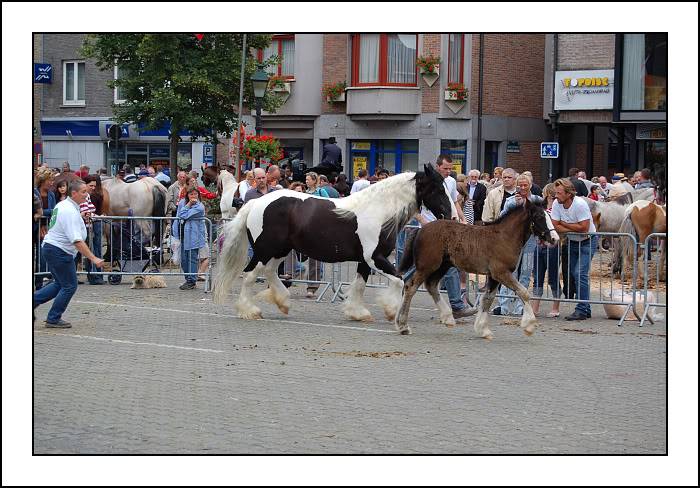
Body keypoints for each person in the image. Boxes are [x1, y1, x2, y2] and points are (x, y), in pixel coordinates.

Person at [33, 180, 105, 327]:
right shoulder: (69, 211)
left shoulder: (66, 206)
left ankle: (34, 302)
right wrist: (93, 258)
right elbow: (76, 240)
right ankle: (53, 318)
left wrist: (81, 214)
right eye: (83, 192)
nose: (87, 195)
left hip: (54, 249)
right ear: (74, 193)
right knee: (69, 286)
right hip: (59, 251)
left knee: (60, 283)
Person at [413, 156, 475, 319]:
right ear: (437, 167)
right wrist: (424, 222)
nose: (449, 172)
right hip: (430, 232)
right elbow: (414, 207)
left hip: (447, 230)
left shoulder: (452, 182)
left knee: (446, 265)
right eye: (445, 168)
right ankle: (456, 306)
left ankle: (456, 306)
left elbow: (454, 202)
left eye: (450, 169)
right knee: (425, 266)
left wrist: (463, 219)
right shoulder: (426, 182)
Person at [491, 174, 541, 316]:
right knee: (509, 274)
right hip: (512, 245)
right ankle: (504, 306)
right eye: (521, 185)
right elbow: (502, 217)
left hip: (529, 243)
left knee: (525, 274)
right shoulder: (510, 201)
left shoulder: (537, 200)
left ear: (530, 185)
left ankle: (521, 307)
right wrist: (515, 205)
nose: (523, 188)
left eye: (526, 185)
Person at [550, 178, 597, 321]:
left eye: (559, 193)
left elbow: (584, 228)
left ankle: (582, 309)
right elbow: (555, 225)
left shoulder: (580, 204)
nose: (556, 196)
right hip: (572, 241)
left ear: (568, 194)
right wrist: (571, 226)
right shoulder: (557, 204)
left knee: (579, 273)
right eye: (555, 192)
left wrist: (564, 223)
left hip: (587, 241)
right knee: (573, 274)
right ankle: (586, 307)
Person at [530, 183, 561, 318]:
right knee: (537, 276)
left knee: (553, 276)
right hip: (539, 245)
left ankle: (556, 306)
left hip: (552, 246)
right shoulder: (540, 208)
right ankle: (535, 306)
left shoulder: (557, 210)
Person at [173, 187, 206, 290]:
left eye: (195, 194)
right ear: (187, 195)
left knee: (191, 258)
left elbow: (183, 215)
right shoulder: (183, 202)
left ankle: (191, 280)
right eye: (191, 194)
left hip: (194, 235)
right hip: (183, 235)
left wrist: (188, 205)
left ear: (198, 195)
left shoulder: (200, 207)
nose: (193, 196)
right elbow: (179, 215)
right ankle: (188, 278)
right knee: (183, 259)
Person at [83, 175, 106, 285]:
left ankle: (95, 275)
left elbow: (89, 211)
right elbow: (86, 213)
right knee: (91, 250)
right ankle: (93, 276)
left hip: (91, 224)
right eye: (90, 185)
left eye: (94, 186)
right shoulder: (84, 196)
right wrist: (100, 217)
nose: (93, 188)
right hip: (87, 226)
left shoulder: (88, 195)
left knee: (93, 249)